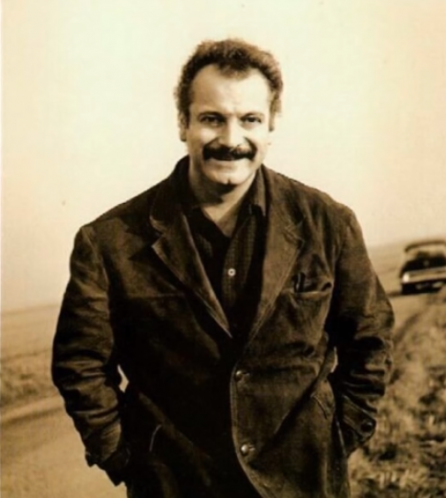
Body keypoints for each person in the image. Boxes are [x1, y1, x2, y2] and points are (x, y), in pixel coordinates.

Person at [52, 38, 394, 498]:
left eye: (250, 119)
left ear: (271, 125)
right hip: (175, 486)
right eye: (212, 119)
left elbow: (370, 340)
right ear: (183, 123)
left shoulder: (328, 224)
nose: (232, 141)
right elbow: (80, 363)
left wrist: (335, 437)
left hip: (305, 482)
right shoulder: (108, 242)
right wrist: (121, 455)